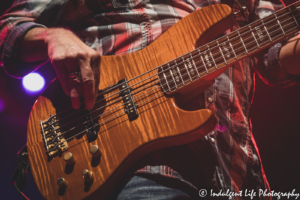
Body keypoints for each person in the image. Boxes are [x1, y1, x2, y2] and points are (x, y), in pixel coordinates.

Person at [1, 0, 300, 199]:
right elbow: (10, 28)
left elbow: (273, 60)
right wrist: (54, 37)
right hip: (132, 159)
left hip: (232, 173)